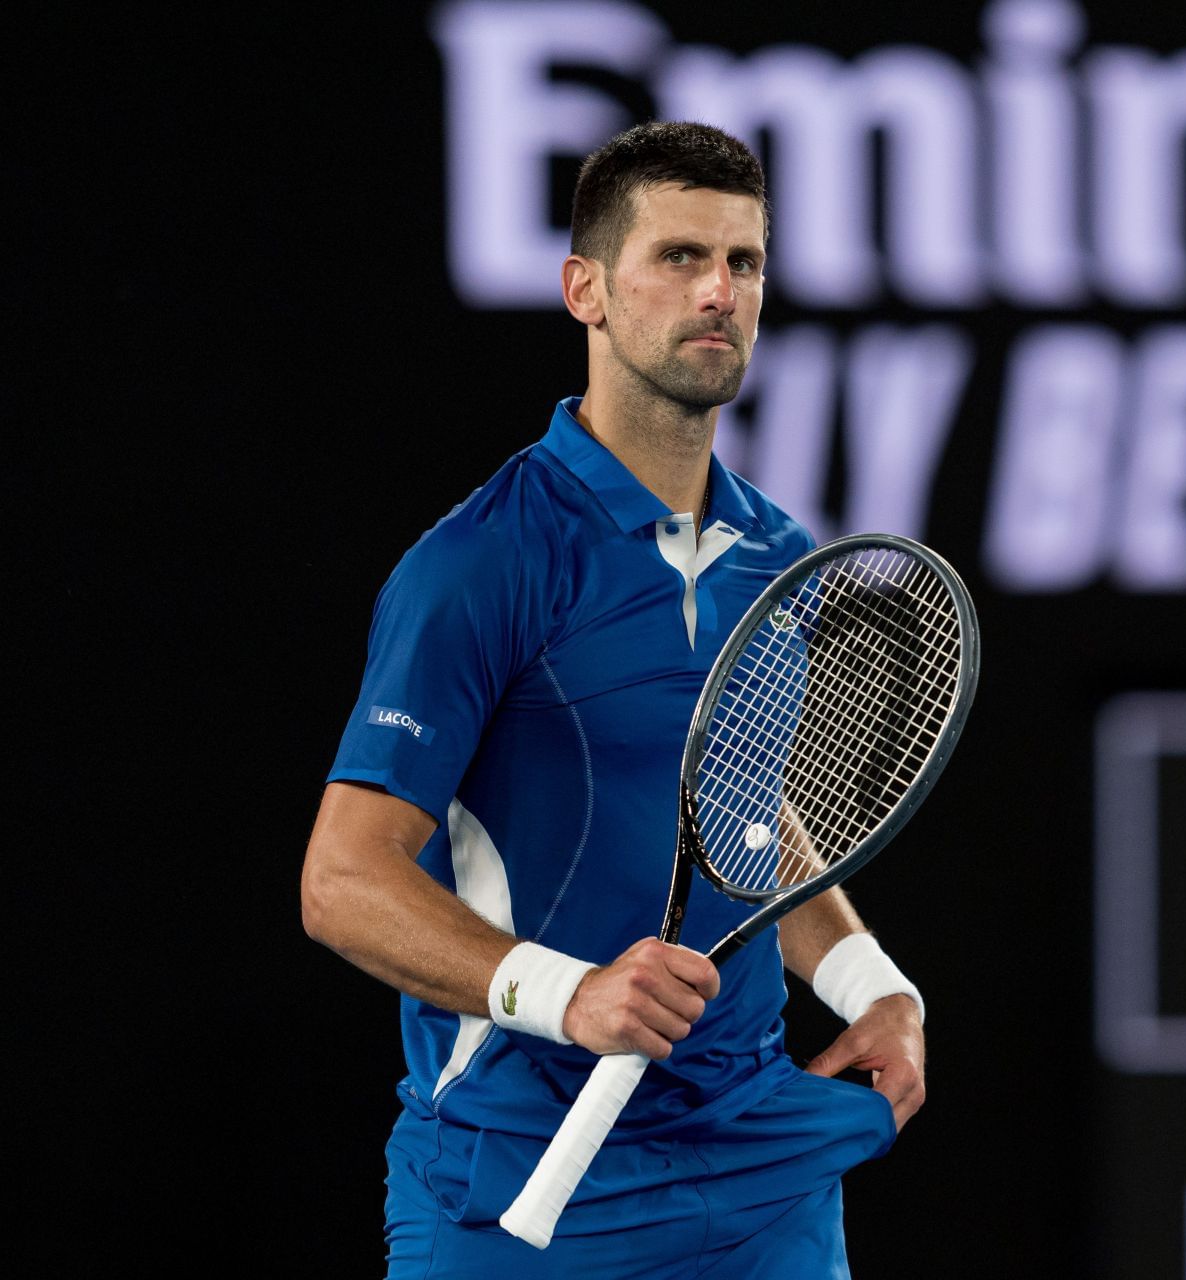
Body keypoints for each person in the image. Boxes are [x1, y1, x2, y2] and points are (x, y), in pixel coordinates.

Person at [301, 121, 927, 1278]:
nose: (719, 292)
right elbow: (343, 879)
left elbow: (744, 823)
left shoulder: (778, 557)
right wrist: (570, 991)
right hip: (518, 1176)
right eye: (680, 257)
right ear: (584, 289)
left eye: (744, 263)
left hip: (755, 1185)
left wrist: (869, 982)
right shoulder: (480, 563)